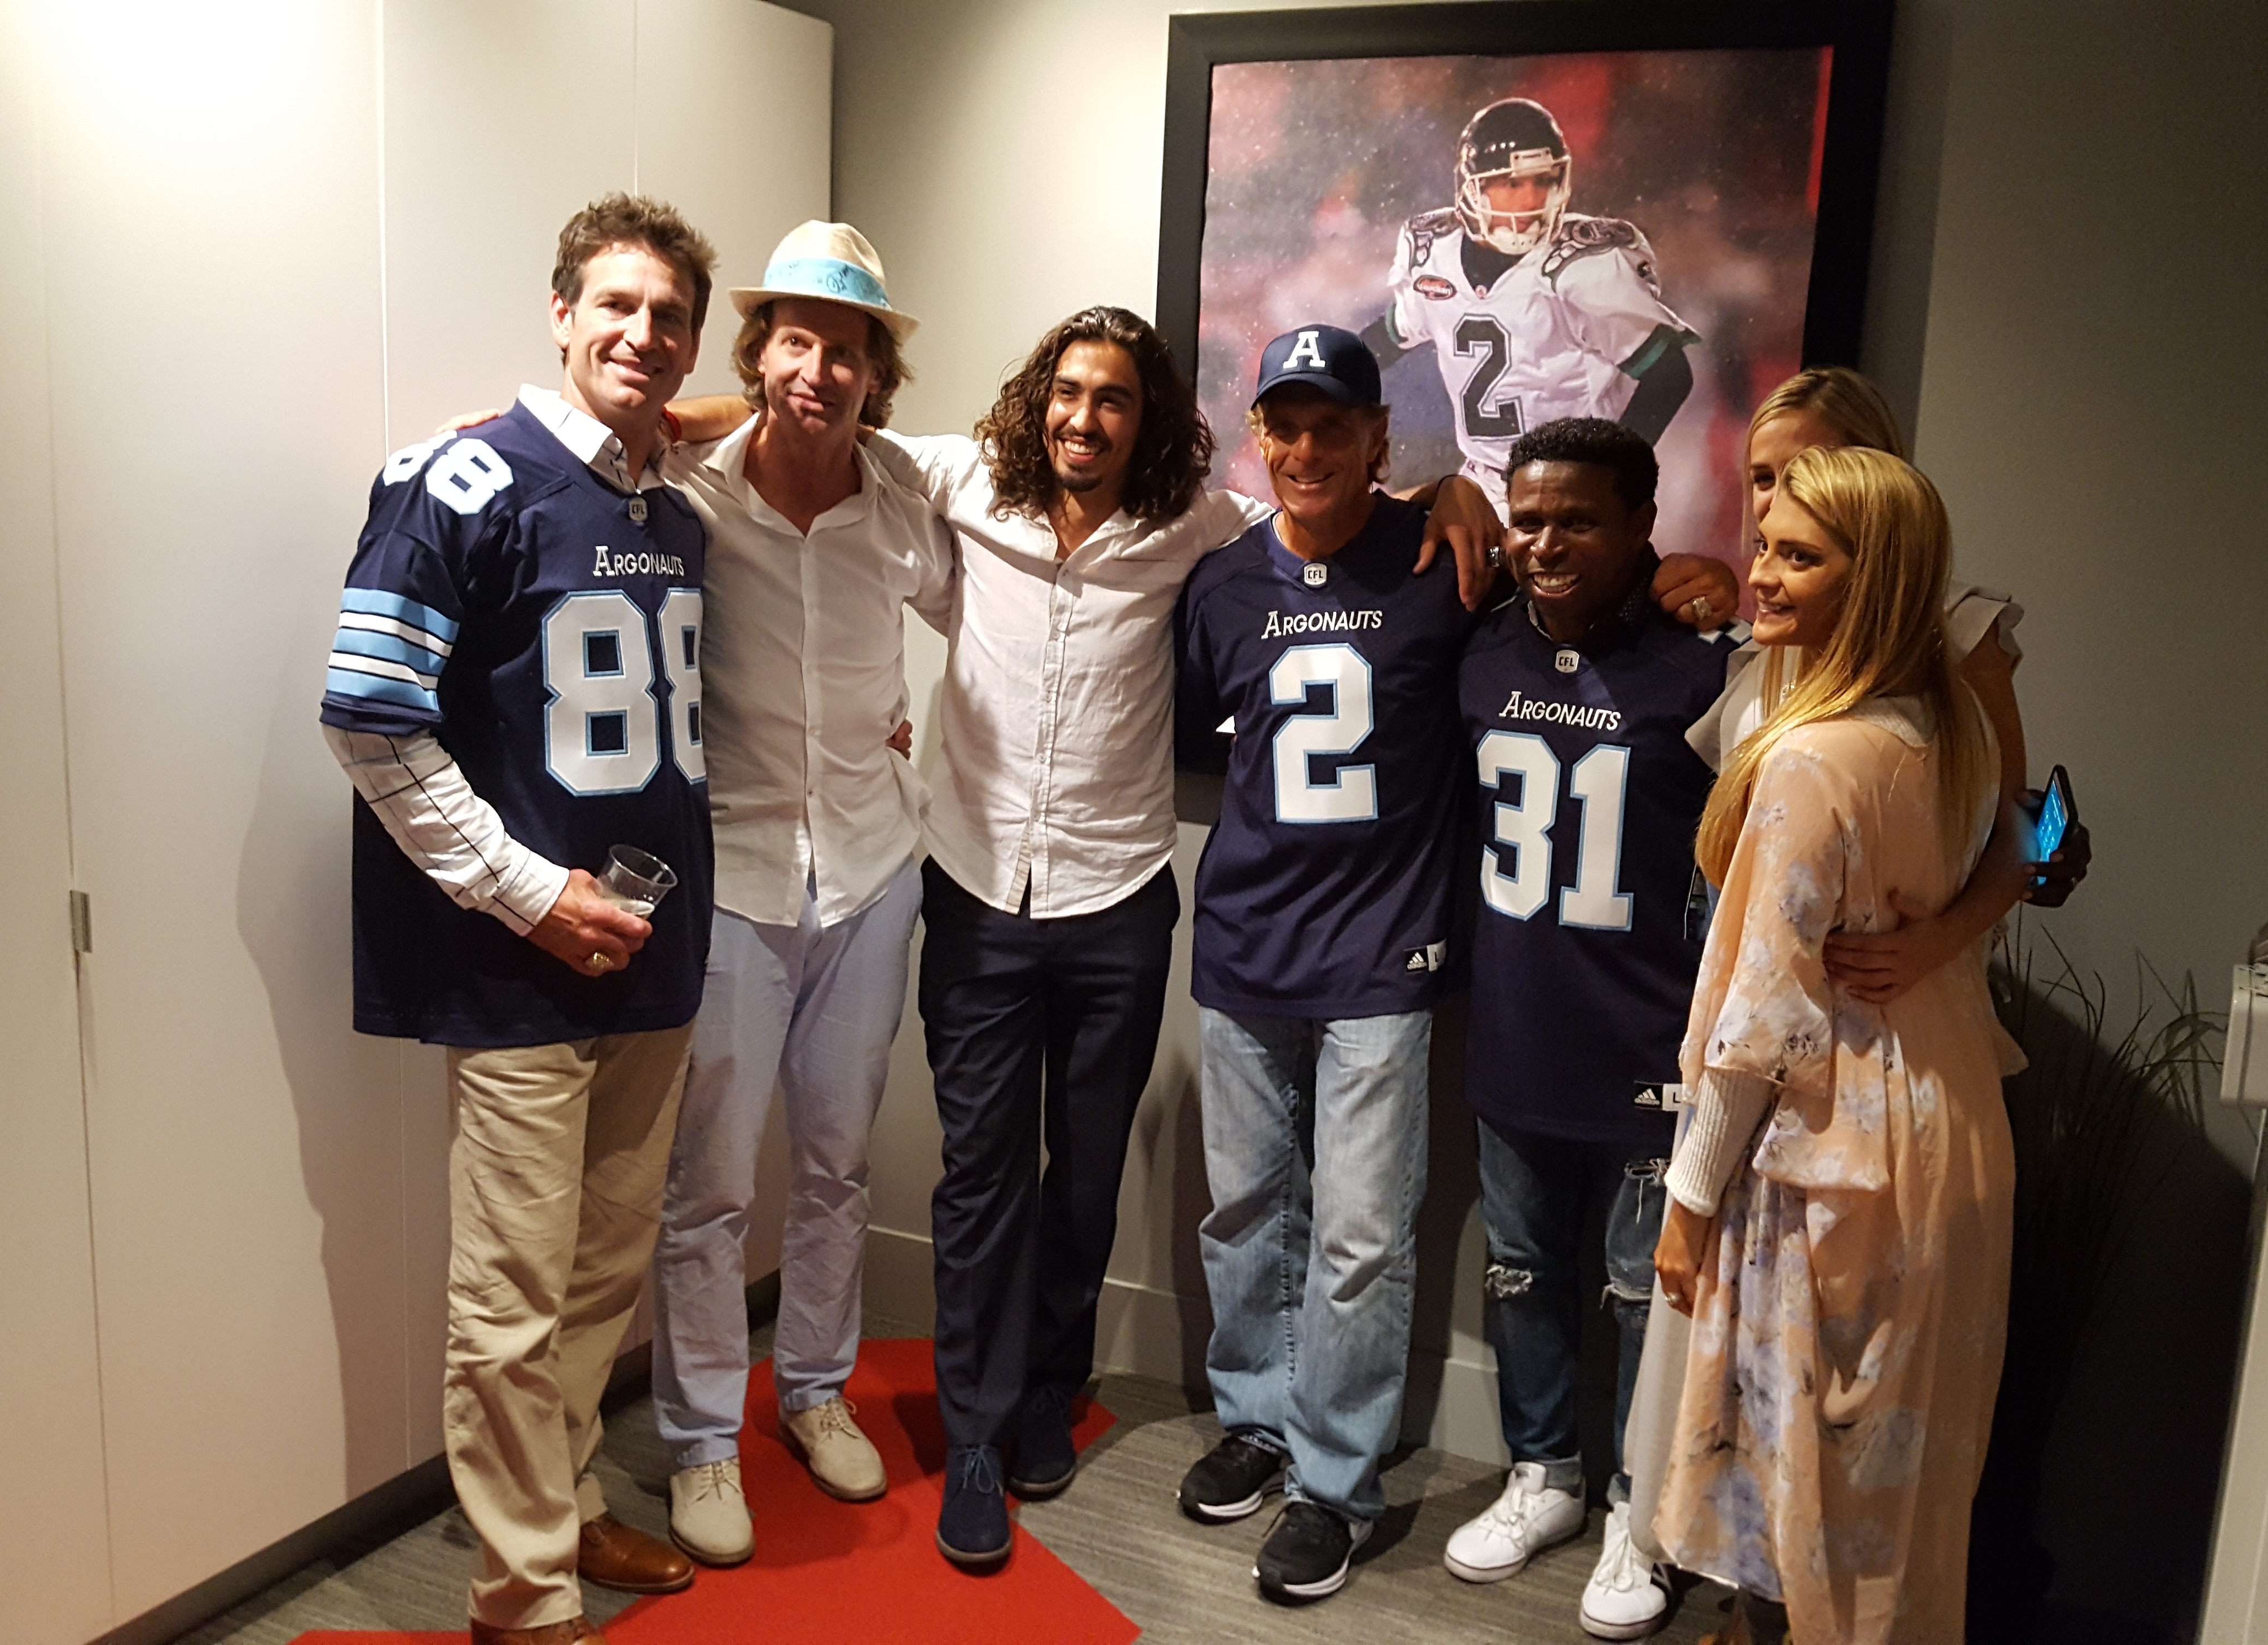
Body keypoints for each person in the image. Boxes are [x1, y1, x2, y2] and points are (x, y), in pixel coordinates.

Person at [659, 306, 1503, 1571]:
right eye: (1066, 391)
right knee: (981, 1178)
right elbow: (819, 420)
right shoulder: (961, 482)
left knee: (1087, 1175)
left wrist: (1454, 491)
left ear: (1145, 418)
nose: (1084, 417)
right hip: (975, 891)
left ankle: (1048, 1390)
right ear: (1035, 399)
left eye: (1113, 398)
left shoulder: (1196, 526)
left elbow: (1332, 503)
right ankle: (976, 1434)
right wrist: (678, 414)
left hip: (1116, 898)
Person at [319, 193, 715, 1645]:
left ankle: (559, 1499)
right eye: (616, 305)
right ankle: (523, 1598)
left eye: (670, 317)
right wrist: (527, 892)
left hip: (654, 955)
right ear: (559, 313)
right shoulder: (460, 480)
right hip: (517, 968)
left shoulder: (673, 504)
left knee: (602, 1277)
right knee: (510, 1300)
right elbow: (368, 718)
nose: (643, 334)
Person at [1643, 444, 2018, 1644]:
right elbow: (2030, 842)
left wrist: (1687, 1201)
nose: (1760, 572)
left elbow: (1759, 1024)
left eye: (1799, 556)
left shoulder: (1813, 759)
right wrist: (1943, 939)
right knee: (1895, 1494)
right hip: (1951, 1128)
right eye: (1763, 545)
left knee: (1794, 1482)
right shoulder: (1955, 723)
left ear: (1879, 577)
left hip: (1835, 1152)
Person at [645, 221, 955, 1571]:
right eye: (793, 342)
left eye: (843, 350)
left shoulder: (905, 499)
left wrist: (912, 730)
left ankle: (816, 1388)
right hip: (734, 876)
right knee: (710, 1181)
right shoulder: (687, 490)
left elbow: (994, 615)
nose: (815, 371)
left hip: (871, 872)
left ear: (876, 373)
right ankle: (702, 1437)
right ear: (757, 351)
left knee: (837, 1163)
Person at [1170, 324, 1480, 1603]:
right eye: (1284, 427)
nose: (1305, 450)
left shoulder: (1439, 562)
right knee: (1245, 1209)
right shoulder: (1220, 584)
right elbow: (1192, 733)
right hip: (1247, 935)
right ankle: (1256, 1417)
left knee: (1358, 1232)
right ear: (1259, 437)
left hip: (1380, 949)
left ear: (1375, 437)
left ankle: (1334, 1483)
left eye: (1331, 427)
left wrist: (1462, 496)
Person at [1441, 419, 1735, 1641]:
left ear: (1641, 529)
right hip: (1516, 1021)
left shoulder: (1701, 667)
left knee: (1641, 1294)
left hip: (1649, 1038)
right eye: (1527, 518)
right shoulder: (1477, 644)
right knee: (1520, 1272)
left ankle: (1639, 1509)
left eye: (1577, 520)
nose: (1544, 542)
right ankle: (1544, 1473)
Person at [1690, 367, 2091, 1006]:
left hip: (1870, 992)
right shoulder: (1774, 625)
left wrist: (1938, 942)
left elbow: (2012, 820)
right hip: (1750, 966)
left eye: (1809, 466)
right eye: (1763, 478)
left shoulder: (1956, 627)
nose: (1781, 495)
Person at [1356, 97, 1698, 511]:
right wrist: (1325, 385)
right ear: (1474, 186)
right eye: (1513, 184)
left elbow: (1669, 375)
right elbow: (1386, 340)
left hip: (1566, 487)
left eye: (1543, 181)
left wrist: (1611, 474)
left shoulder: (1579, 268)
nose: (1531, 198)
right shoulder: (1436, 257)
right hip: (1480, 485)